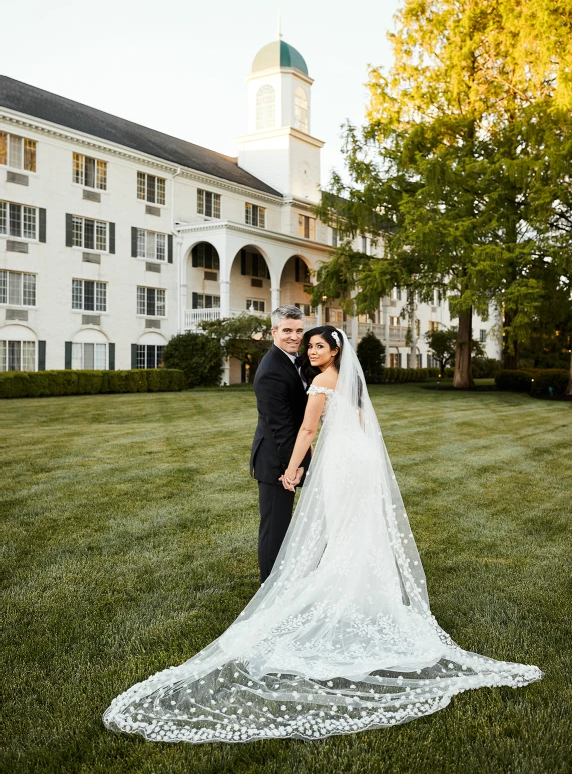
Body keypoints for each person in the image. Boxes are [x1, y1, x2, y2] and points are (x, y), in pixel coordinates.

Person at [103, 326, 542, 743]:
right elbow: (363, 427)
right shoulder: (348, 382)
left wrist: (293, 469)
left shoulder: (321, 385)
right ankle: (369, 591)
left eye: (318, 346)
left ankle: (342, 592)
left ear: (334, 351)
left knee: (342, 529)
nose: (311, 351)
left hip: (339, 465)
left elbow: (308, 430)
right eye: (307, 345)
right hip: (361, 459)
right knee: (356, 529)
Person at [250, 305, 312, 583]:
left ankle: (286, 579)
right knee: (275, 529)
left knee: (286, 527)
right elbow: (281, 427)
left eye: (299, 330)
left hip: (291, 455)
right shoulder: (271, 371)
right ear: (273, 332)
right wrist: (293, 467)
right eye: (287, 330)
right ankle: (269, 587)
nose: (294, 336)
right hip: (276, 460)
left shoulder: (295, 361)